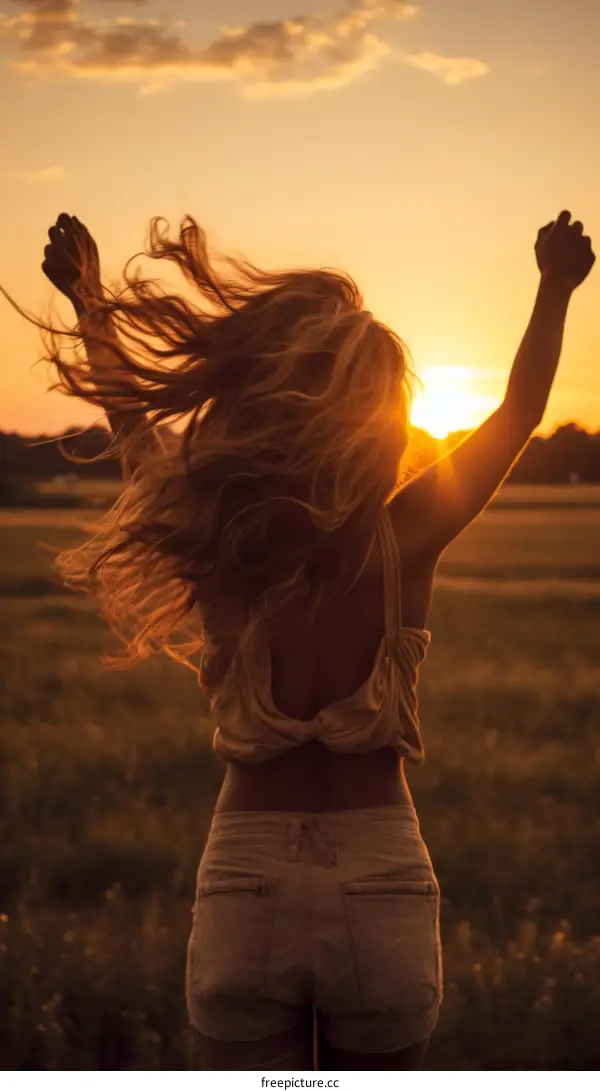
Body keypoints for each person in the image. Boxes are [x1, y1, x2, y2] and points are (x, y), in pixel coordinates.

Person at [35, 209, 594, 1071]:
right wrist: (554, 288)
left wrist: (89, 302)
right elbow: (519, 412)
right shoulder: (404, 536)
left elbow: (134, 427)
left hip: (246, 871)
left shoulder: (221, 539)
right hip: (381, 871)